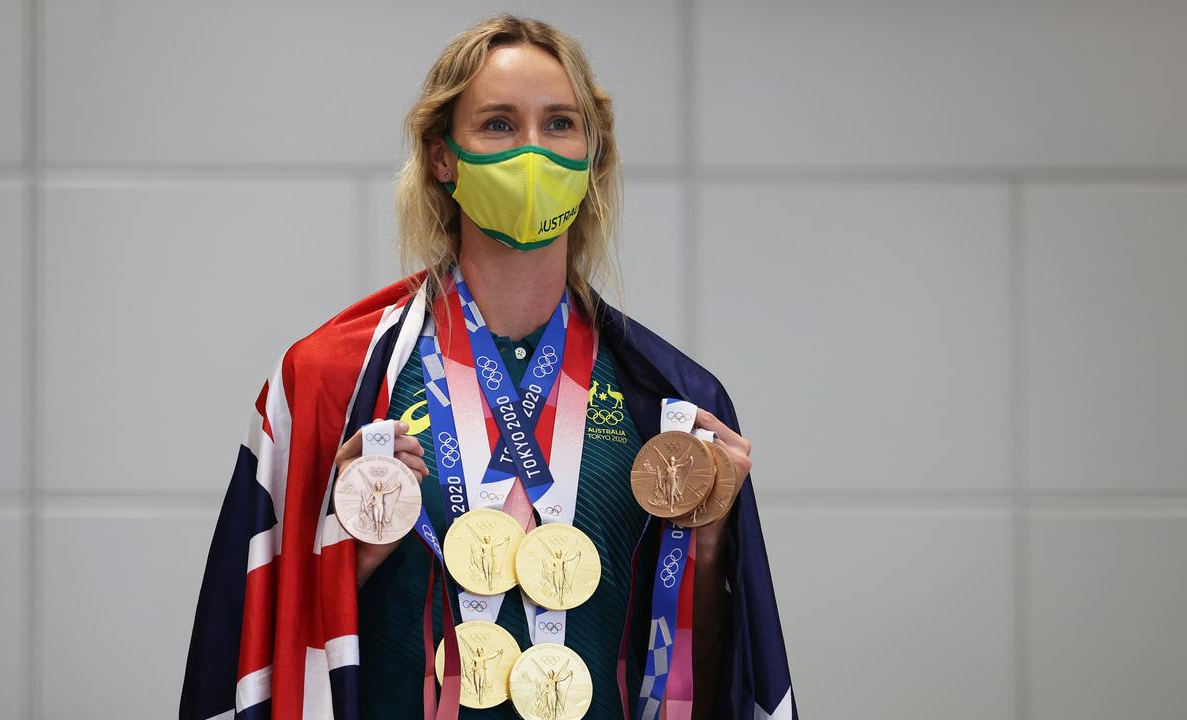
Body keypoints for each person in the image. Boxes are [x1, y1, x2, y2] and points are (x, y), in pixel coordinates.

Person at [181, 13, 795, 720]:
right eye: (499, 124)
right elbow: (253, 649)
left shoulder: (669, 402)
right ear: (443, 156)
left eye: (560, 124)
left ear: (593, 156)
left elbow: (716, 684)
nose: (533, 152)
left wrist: (710, 546)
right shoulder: (328, 383)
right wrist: (345, 546)